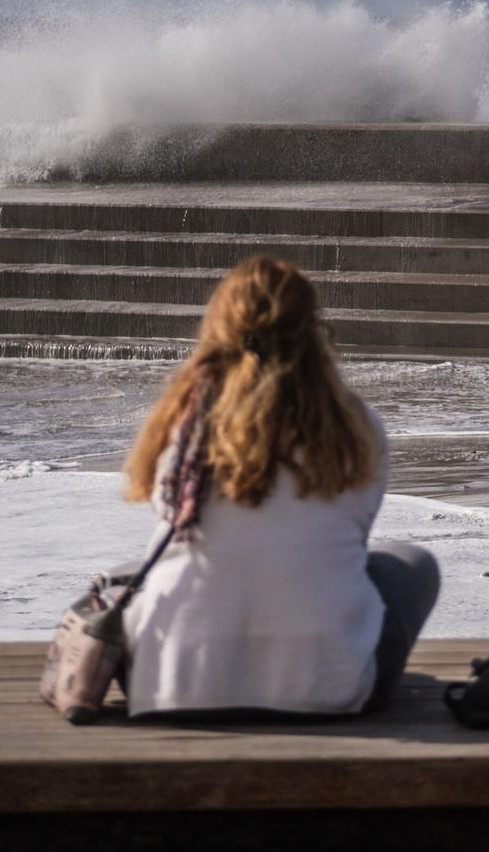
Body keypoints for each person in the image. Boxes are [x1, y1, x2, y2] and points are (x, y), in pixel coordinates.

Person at [120, 254, 439, 718]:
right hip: (324, 690)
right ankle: (332, 663)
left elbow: (173, 519)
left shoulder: (182, 426)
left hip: (173, 686)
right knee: (411, 565)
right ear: (313, 331)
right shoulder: (355, 427)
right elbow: (348, 541)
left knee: (137, 573)